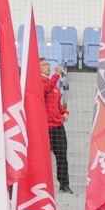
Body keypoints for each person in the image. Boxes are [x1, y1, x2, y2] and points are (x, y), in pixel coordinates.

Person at [39, 58, 71, 192]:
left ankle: (64, 185)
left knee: (62, 156)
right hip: (44, 127)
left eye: (48, 64)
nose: (47, 67)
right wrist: (57, 75)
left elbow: (58, 103)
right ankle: (42, 184)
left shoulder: (55, 85)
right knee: (42, 158)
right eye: (44, 65)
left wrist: (65, 112)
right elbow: (45, 90)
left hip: (57, 126)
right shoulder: (37, 82)